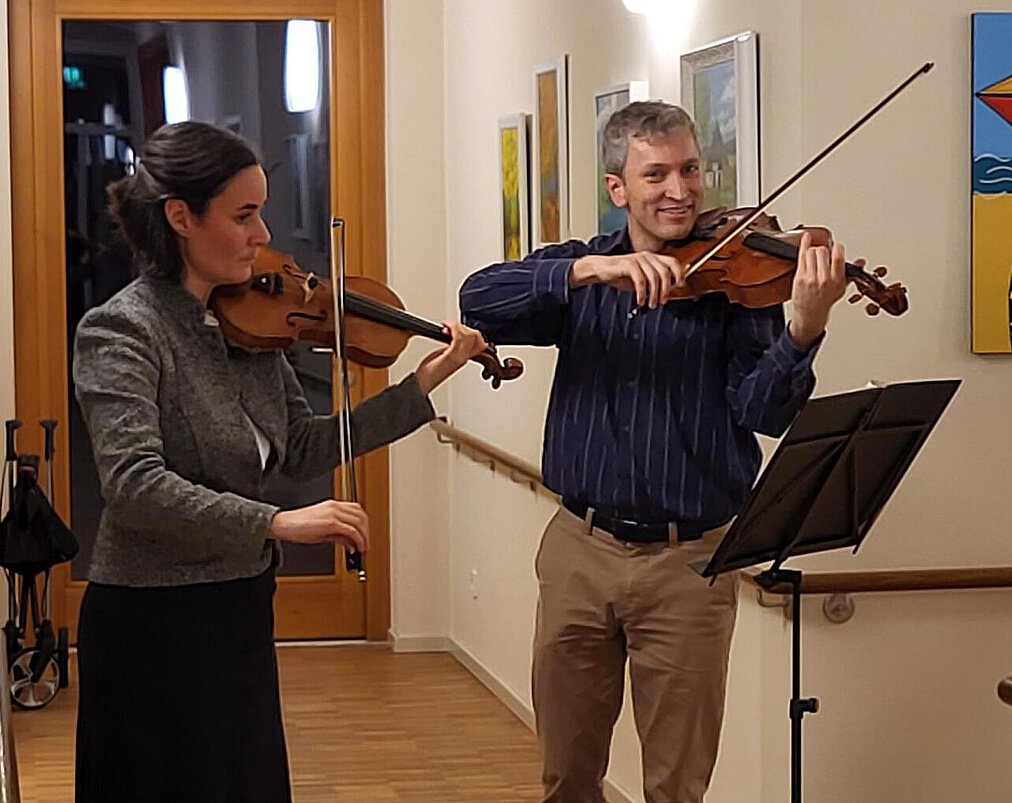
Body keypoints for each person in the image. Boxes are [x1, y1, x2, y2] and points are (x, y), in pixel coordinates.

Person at [71, 120, 487, 803]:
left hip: (237, 604)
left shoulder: (252, 325)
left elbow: (300, 446)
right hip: (153, 619)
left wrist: (424, 383)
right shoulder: (122, 329)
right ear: (181, 217)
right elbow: (134, 486)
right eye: (244, 214)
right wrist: (278, 522)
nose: (264, 234)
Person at [459, 101, 849, 803]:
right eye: (657, 173)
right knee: (567, 776)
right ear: (618, 189)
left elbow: (766, 413)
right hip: (580, 547)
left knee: (676, 784)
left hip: (689, 563)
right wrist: (586, 274)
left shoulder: (738, 283)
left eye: (691, 169)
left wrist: (802, 328)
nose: (681, 190)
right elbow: (478, 298)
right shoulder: (585, 271)